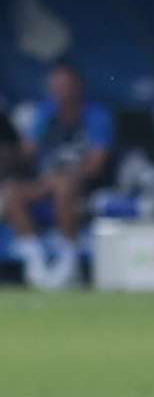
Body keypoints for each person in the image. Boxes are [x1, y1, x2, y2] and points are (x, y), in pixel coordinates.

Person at [6, 60, 111, 289]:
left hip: (82, 184)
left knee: (64, 185)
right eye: (56, 86)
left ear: (78, 87)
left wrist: (64, 177)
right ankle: (35, 262)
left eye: (64, 86)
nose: (59, 92)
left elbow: (96, 165)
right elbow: (27, 154)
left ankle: (68, 260)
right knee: (11, 193)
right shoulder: (44, 113)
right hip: (45, 181)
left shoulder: (96, 115)